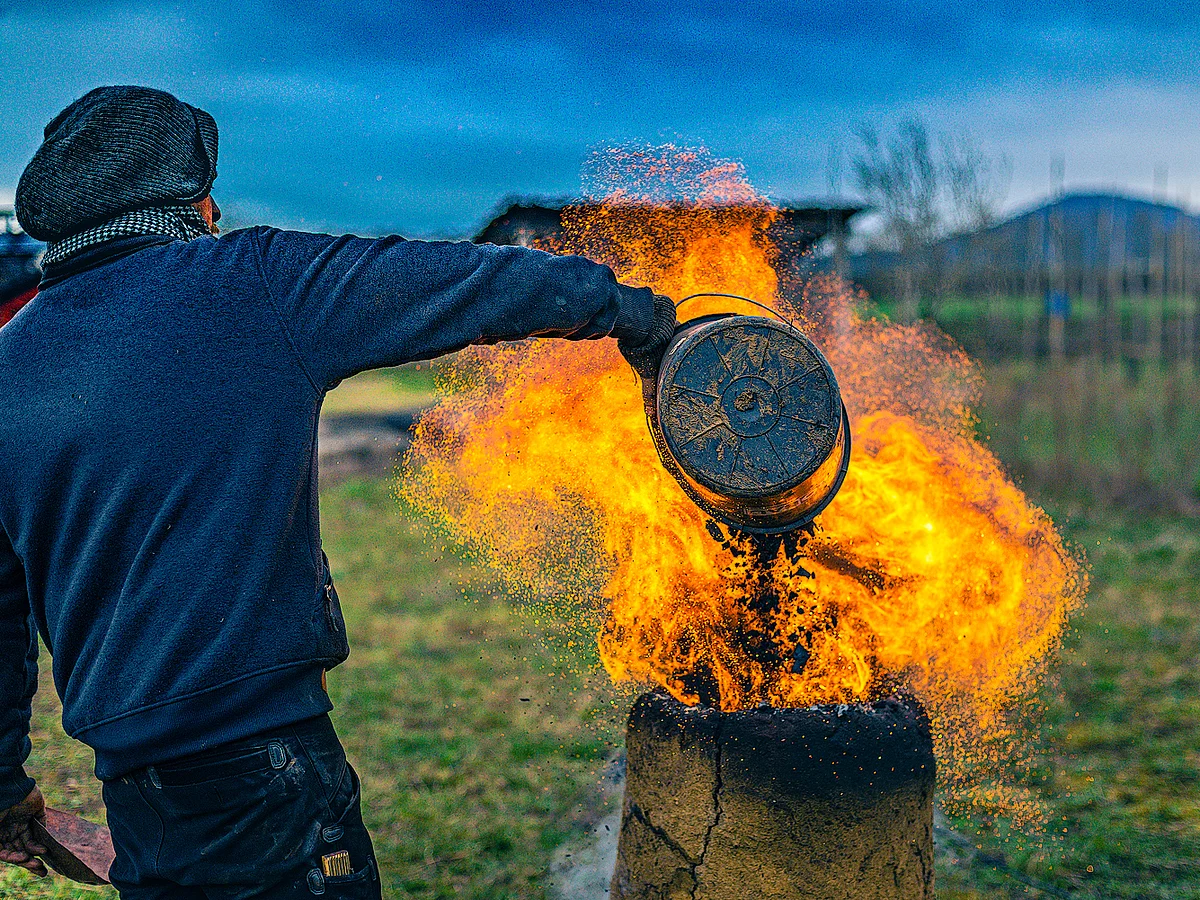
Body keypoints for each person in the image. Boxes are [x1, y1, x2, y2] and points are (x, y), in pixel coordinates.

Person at [0, 85, 676, 898]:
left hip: (140, 794)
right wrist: (634, 312)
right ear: (190, 196)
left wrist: (3, 790)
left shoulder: (9, 363)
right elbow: (458, 282)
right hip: (266, 777)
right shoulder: (248, 284)